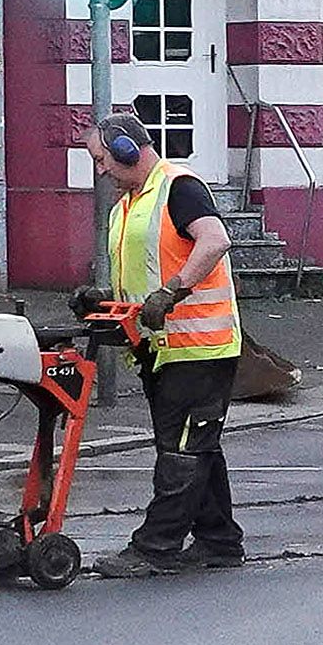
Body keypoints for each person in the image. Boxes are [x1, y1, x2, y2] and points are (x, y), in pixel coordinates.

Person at [85, 114, 243, 569]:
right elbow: (141, 274)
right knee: (197, 446)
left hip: (199, 348)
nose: (100, 170)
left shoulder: (178, 187)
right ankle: (219, 541)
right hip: (161, 351)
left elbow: (214, 241)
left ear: (126, 149)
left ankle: (156, 547)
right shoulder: (127, 205)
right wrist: (104, 301)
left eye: (101, 159)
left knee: (182, 452)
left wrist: (173, 291)